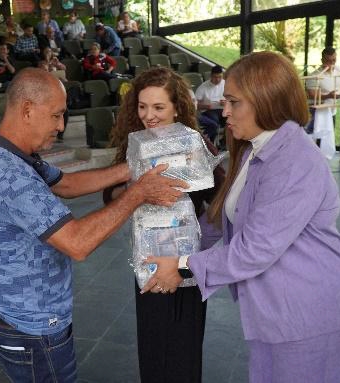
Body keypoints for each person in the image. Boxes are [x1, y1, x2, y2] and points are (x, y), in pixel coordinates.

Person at [143, 52, 340, 383]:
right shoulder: (256, 148)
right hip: (278, 310)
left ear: (266, 101)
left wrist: (182, 265)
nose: (224, 112)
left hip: (313, 312)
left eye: (234, 102)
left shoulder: (293, 160)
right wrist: (171, 246)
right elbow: (224, 216)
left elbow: (254, 249)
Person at [0, 67, 187, 382]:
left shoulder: (6, 151)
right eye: (56, 115)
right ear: (27, 110)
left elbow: (67, 184)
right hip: (34, 328)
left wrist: (136, 167)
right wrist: (138, 193)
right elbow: (77, 242)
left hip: (14, 315)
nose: (60, 125)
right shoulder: (6, 172)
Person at [105, 67, 225, 383]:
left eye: (159, 107)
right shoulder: (135, 144)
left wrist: (195, 234)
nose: (149, 116)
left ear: (176, 107)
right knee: (154, 337)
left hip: (185, 257)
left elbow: (222, 198)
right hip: (148, 255)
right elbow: (110, 195)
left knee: (184, 341)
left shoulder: (194, 143)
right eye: (142, 107)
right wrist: (136, 190)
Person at [194, 65, 225, 143]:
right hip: (208, 110)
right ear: (211, 76)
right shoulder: (203, 87)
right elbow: (194, 105)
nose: (218, 80)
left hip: (223, 109)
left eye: (220, 77)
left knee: (232, 120)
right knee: (214, 121)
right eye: (215, 77)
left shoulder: (225, 83)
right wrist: (205, 106)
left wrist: (227, 102)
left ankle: (223, 142)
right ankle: (211, 142)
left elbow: (233, 99)